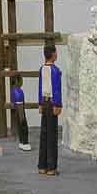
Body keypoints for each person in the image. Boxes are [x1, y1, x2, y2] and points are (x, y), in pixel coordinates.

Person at [37, 43, 64, 175]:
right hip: (53, 103)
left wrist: (40, 103)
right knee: (52, 136)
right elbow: (57, 90)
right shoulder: (56, 71)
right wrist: (58, 105)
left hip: (45, 102)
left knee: (44, 134)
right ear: (53, 54)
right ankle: (51, 167)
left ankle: (42, 165)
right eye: (56, 52)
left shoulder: (42, 69)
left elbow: (40, 87)